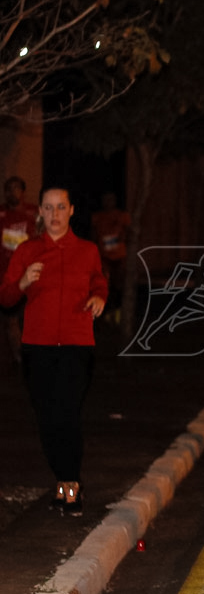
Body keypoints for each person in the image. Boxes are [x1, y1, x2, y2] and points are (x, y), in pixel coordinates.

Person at [0, 186, 107, 517]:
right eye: (49, 208)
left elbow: (99, 281)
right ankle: (64, 481)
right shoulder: (27, 251)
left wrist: (100, 297)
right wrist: (21, 284)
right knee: (47, 419)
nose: (55, 214)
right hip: (37, 347)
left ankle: (70, 487)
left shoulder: (88, 250)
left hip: (77, 345)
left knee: (67, 415)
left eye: (61, 207)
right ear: (41, 213)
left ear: (71, 210)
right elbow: (5, 297)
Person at [0, 176, 39, 364]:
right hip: (8, 277)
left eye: (16, 188)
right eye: (8, 188)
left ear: (23, 191)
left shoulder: (33, 213)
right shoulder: (1, 213)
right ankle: (21, 359)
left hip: (31, 276)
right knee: (11, 319)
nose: (11, 192)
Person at [90, 190, 131, 323]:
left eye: (111, 199)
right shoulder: (97, 217)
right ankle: (106, 312)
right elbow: (93, 236)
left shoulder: (122, 216)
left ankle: (119, 311)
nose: (108, 202)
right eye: (105, 199)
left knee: (119, 284)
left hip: (119, 255)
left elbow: (129, 233)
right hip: (104, 256)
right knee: (105, 285)